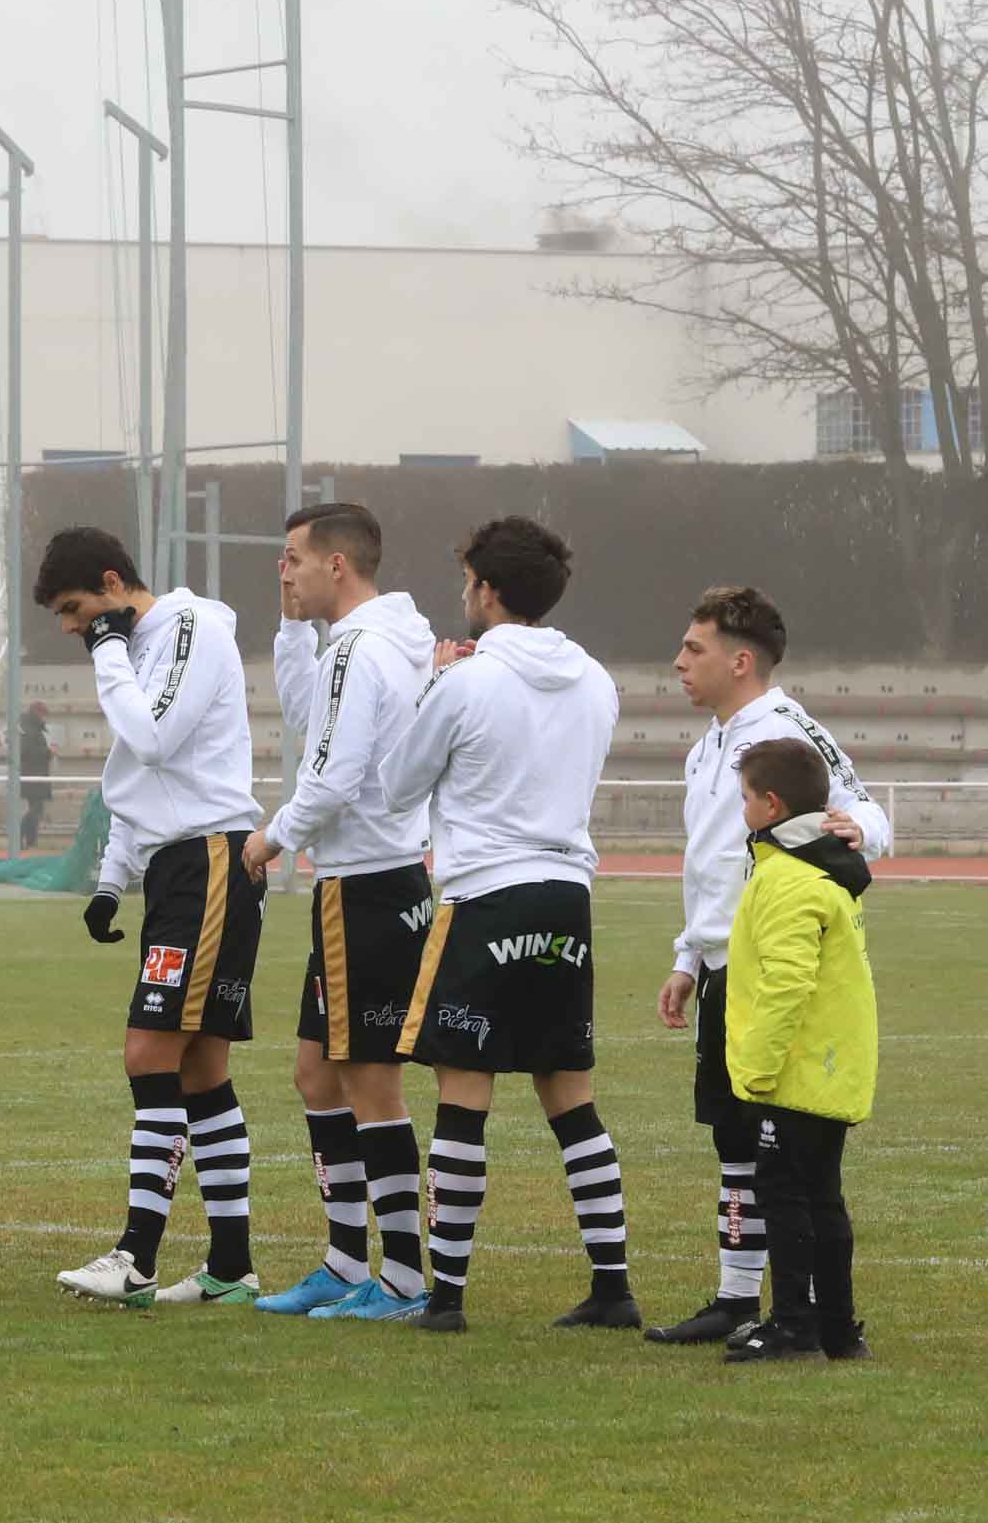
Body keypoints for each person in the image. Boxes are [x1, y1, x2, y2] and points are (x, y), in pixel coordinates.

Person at [381, 515, 632, 1335]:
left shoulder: (468, 679)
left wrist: (432, 682)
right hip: (568, 893)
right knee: (571, 1097)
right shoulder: (596, 679)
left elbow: (396, 787)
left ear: (487, 592)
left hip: (487, 893)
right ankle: (612, 1286)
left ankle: (446, 1297)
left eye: (467, 586)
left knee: (463, 1096)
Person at [646, 586, 889, 1346]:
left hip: (768, 971)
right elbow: (711, 868)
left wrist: (862, 828)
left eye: (694, 649)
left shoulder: (785, 729)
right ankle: (737, 1295)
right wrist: (689, 956)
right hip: (722, 962)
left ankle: (788, 1308)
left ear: (740, 660)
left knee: (773, 1147)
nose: (679, 663)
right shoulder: (708, 744)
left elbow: (865, 808)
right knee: (733, 1135)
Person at [36, 527, 267, 1311]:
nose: (73, 628)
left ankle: (136, 1257)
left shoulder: (189, 630)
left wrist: (107, 652)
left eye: (76, 609)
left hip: (209, 860)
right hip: (181, 865)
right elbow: (135, 776)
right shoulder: (137, 647)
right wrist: (111, 879)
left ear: (112, 581)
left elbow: (155, 739)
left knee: (148, 1052)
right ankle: (232, 1267)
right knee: (201, 1069)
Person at [240, 502, 441, 1321]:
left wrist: (270, 838)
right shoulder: (359, 646)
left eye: (292, 558)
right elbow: (313, 725)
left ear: (339, 564)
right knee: (316, 1075)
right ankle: (344, 1258)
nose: (282, 571)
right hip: (354, 886)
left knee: (371, 1085)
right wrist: (291, 630)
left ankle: (401, 1278)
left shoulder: (363, 650)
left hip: (372, 885)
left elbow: (331, 777)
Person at [716, 738, 878, 1364]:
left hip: (798, 1071)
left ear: (770, 804)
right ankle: (838, 1328)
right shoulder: (826, 870)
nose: (743, 809)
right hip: (830, 1067)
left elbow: (787, 983)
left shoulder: (788, 878)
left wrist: (755, 1070)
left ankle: (791, 1324)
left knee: (785, 1196)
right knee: (822, 1196)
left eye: (746, 798)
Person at [17, 702, 54, 849]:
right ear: (38, 714)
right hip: (34, 776)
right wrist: (48, 752)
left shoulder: (27, 728)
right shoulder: (31, 731)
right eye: (43, 715)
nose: (45, 719)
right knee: (35, 810)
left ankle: (29, 842)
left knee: (35, 810)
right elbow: (28, 753)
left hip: (33, 776)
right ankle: (22, 839)